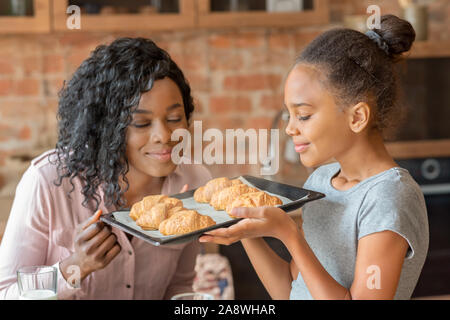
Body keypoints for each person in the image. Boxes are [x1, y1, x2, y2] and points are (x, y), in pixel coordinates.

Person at [200, 15, 429, 300]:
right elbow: (290, 290)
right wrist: (242, 227)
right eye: (290, 114)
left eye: (304, 115)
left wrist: (290, 235)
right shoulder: (321, 181)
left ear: (357, 116)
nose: (290, 128)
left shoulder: (388, 197)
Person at [0, 37, 211, 299]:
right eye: (142, 123)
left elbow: (179, 287)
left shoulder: (193, 182)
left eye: (174, 118)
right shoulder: (47, 182)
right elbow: (6, 293)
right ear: (107, 128)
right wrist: (75, 266)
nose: (164, 135)